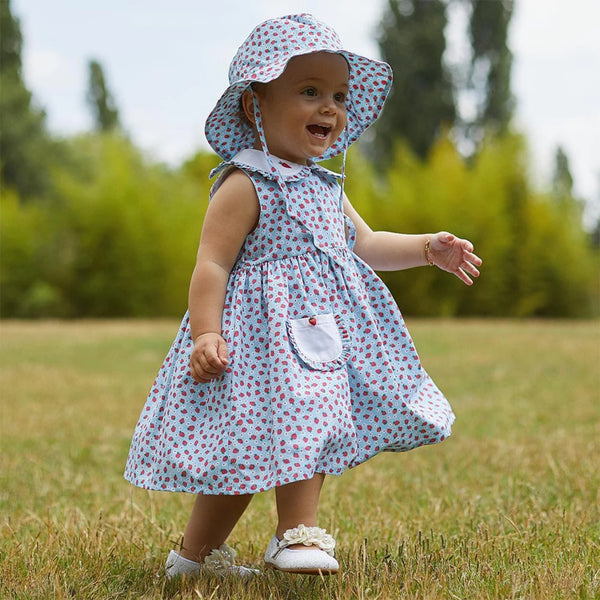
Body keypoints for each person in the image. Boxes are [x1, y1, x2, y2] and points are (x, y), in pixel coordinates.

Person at [124, 13, 482, 578]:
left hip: (315, 341)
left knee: (296, 427)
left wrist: (425, 247)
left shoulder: (324, 186)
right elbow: (211, 265)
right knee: (250, 447)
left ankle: (198, 560)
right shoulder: (245, 184)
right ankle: (279, 539)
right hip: (257, 341)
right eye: (309, 91)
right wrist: (206, 334)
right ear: (254, 107)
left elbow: (366, 245)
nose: (329, 108)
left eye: (338, 95)